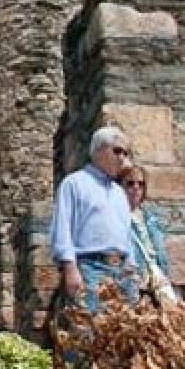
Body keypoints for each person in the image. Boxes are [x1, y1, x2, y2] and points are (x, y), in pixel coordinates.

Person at [50, 126, 139, 312]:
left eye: (125, 152)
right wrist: (70, 268)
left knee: (124, 336)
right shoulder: (74, 183)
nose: (122, 157)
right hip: (90, 268)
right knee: (90, 333)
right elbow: (62, 228)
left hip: (123, 273)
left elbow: (126, 234)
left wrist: (132, 267)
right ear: (98, 150)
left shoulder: (119, 193)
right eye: (117, 151)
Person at [119, 165, 178, 306]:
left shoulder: (150, 218)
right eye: (130, 183)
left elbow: (159, 251)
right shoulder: (117, 217)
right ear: (121, 187)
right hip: (133, 279)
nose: (136, 188)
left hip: (156, 276)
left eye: (141, 184)